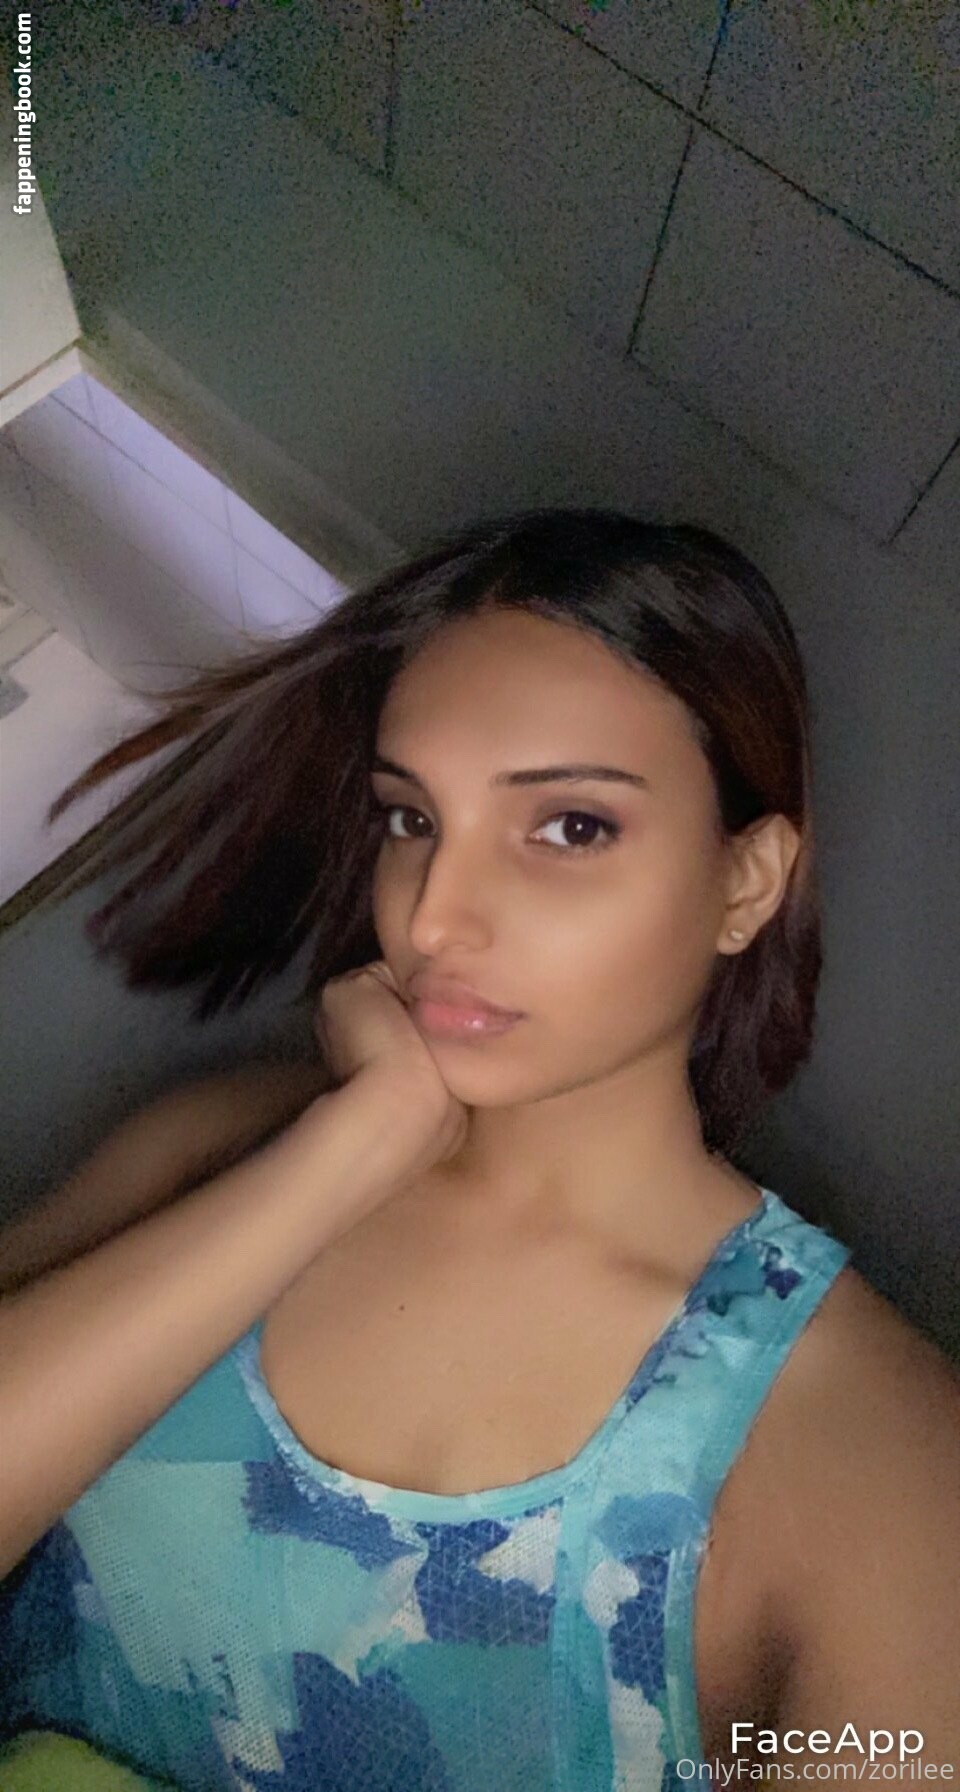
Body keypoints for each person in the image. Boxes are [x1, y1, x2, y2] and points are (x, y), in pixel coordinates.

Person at [0, 507, 957, 1791]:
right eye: (411, 820)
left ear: (746, 881)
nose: (433, 919)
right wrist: (349, 1151)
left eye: (571, 827)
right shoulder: (221, 1148)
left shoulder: (876, 1456)